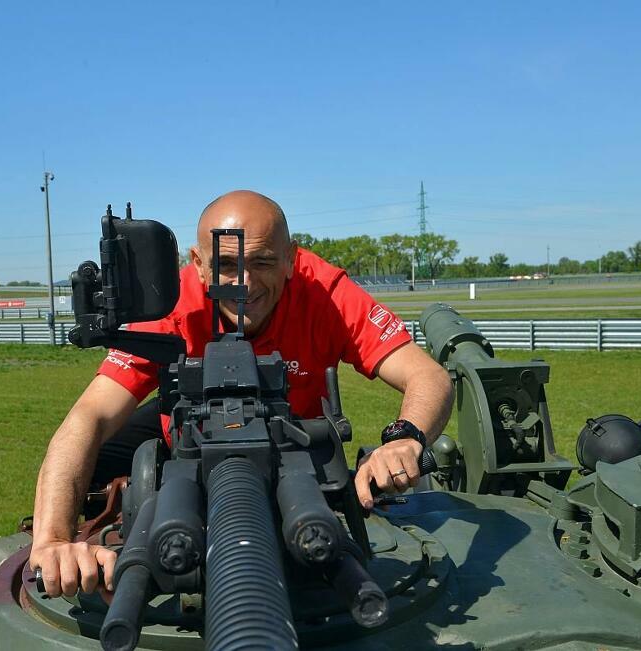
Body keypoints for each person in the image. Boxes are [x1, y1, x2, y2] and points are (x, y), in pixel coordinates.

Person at [29, 190, 455, 599]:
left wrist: (405, 437)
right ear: (197, 264)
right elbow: (89, 417)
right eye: (228, 265)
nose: (245, 284)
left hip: (292, 451)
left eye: (263, 262)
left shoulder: (324, 292)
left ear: (292, 259)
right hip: (188, 448)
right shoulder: (174, 305)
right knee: (95, 464)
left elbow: (428, 376)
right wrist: (51, 541)